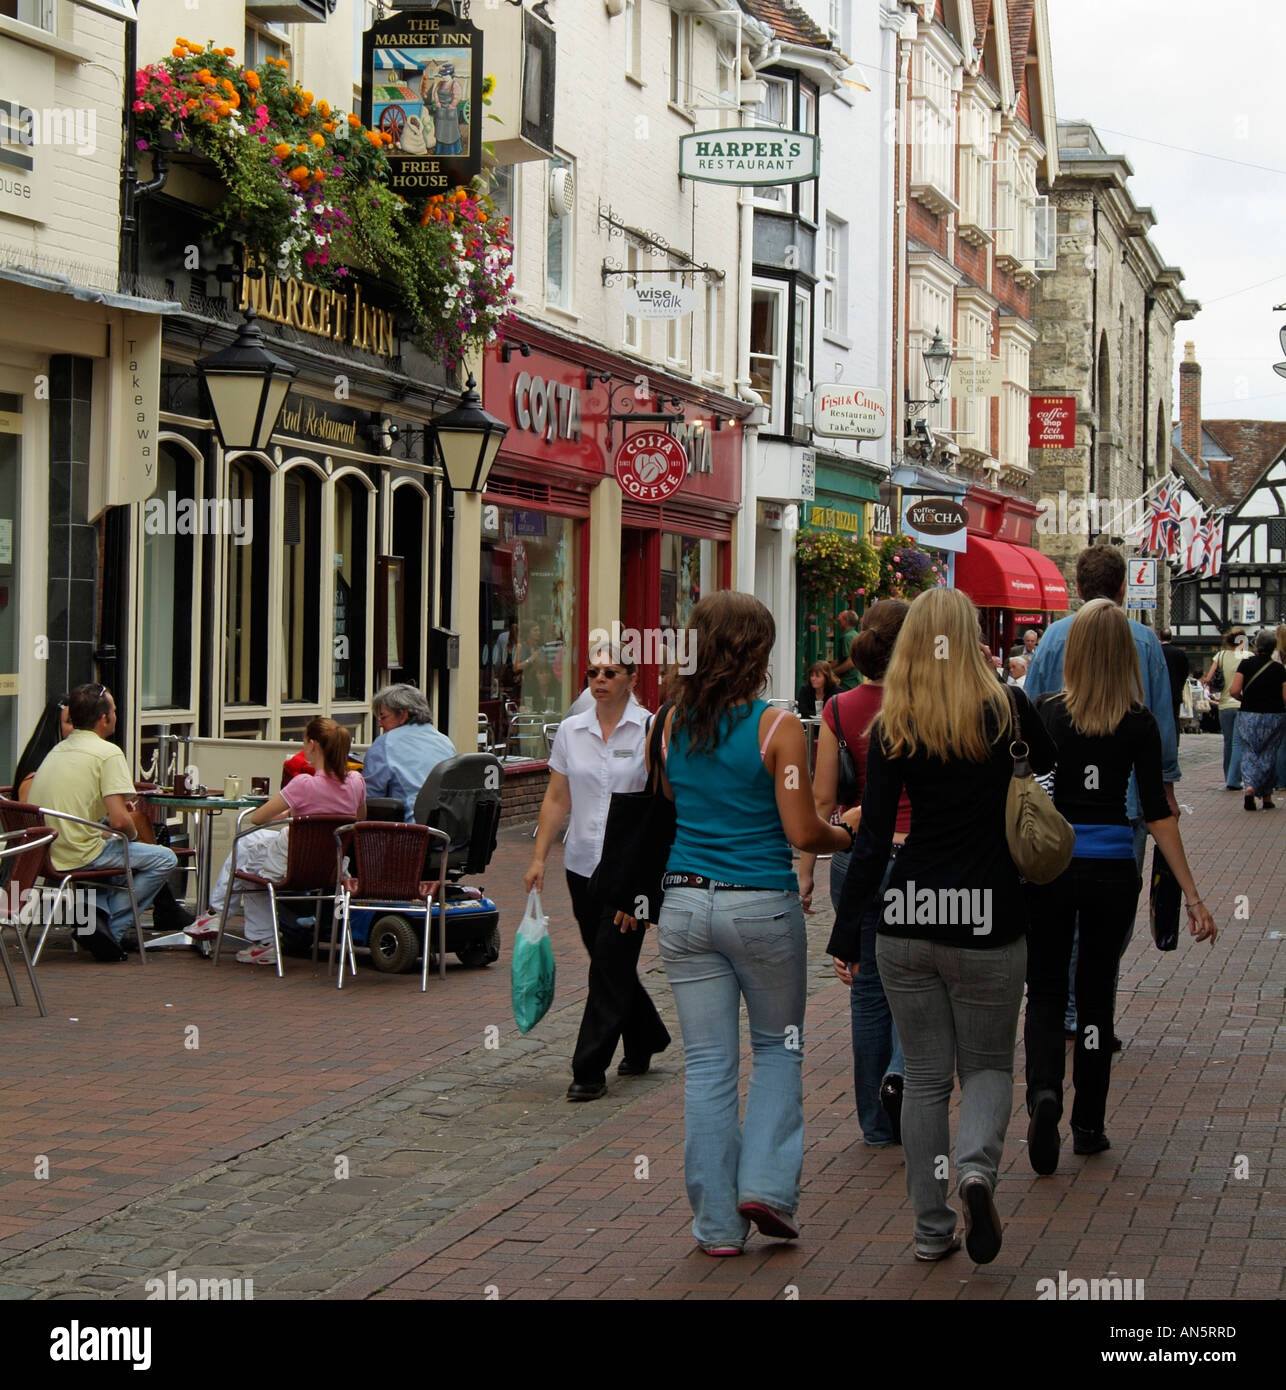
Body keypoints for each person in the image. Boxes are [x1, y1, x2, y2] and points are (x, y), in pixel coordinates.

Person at [828, 588, 1056, 1265]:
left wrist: (847, 935)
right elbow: (1048, 773)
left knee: (925, 1079)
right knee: (986, 1066)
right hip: (990, 913)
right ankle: (977, 1172)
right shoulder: (1006, 708)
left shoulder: (897, 721)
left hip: (909, 915)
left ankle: (931, 1230)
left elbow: (870, 840)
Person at [638, 591, 855, 1257]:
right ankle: (764, 1185)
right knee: (778, 1047)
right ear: (757, 653)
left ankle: (715, 1226)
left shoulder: (669, 724)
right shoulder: (778, 727)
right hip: (758, 901)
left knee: (707, 1064)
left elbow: (673, 798)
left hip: (683, 903)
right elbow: (801, 831)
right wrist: (844, 834)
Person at [1025, 600, 1217, 1174]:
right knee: (1096, 990)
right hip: (1112, 868)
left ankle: (1043, 1095)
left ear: (1076, 654)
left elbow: (1031, 793)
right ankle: (1088, 1122)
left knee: (1047, 989)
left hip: (1054, 867)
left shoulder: (1047, 714)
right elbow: (1158, 814)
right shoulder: (1139, 723)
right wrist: (1193, 896)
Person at [1024, 545, 1182, 1038]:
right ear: (1121, 588)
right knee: (1110, 918)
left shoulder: (1052, 638)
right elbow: (1160, 722)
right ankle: (1093, 1013)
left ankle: (1062, 1007)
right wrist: (1167, 790)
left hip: (1057, 801)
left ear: (1077, 586)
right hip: (1126, 800)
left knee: (1057, 909)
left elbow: (1027, 717)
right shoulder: (1142, 641)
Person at [525, 644, 670, 1101]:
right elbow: (556, 798)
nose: (600, 679)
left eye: (611, 672)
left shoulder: (650, 727)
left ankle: (588, 1068)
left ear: (631, 677)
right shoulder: (571, 731)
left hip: (630, 870)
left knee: (608, 965)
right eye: (592, 672)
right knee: (608, 961)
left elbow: (661, 806)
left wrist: (650, 880)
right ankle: (645, 1035)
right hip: (582, 864)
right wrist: (538, 857)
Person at [798, 600, 910, 1149]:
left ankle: (874, 1122)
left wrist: (805, 873)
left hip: (859, 857)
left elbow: (821, 803)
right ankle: (902, 1076)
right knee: (918, 985)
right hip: (920, 861)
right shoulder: (933, 704)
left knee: (866, 990)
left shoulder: (840, 708)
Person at [185, 718, 365, 966]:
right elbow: (358, 817)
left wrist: (293, 811)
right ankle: (252, 936)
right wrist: (300, 814)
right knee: (250, 857)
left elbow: (258, 818)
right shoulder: (356, 781)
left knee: (246, 847)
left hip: (291, 863)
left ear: (312, 745)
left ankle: (219, 914)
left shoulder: (303, 784)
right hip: (331, 867)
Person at [12, 697, 194, 933]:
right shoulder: (108, 753)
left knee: (110, 850)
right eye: (115, 711)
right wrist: (130, 837)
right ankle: (109, 927)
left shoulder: (57, 750)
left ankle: (96, 918)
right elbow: (120, 821)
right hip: (78, 854)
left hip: (46, 853)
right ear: (103, 718)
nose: (117, 715)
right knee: (164, 858)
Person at [361, 685, 457, 821]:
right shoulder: (445, 741)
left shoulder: (384, 744)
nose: (380, 724)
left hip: (409, 834)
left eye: (383, 717)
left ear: (403, 715)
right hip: (447, 832)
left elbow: (369, 800)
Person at [1230, 631, 1286, 811]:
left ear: (1256, 645)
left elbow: (1234, 690)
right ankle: (1267, 797)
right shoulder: (1279, 669)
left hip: (1248, 714)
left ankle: (1249, 788)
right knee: (1269, 754)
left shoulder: (1246, 664)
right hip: (1273, 715)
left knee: (1249, 752)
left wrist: (1245, 699)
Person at [1203, 628, 1246, 791]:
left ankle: (1228, 775)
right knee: (1238, 742)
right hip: (1241, 703)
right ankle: (1235, 779)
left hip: (1224, 705)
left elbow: (1208, 679)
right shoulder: (1248, 656)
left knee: (1228, 742)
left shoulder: (1219, 656)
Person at [12, 696, 73, 801]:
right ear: (54, 725)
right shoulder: (36, 770)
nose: (77, 728)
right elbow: (26, 814)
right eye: (70, 721)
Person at [1159, 627, 1190, 727]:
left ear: (1159, 637)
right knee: (1174, 719)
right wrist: (1179, 685)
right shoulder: (1180, 653)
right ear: (1171, 638)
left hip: (1159, 691)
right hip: (1175, 692)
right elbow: (1185, 672)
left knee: (1159, 718)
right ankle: (1174, 740)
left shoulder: (1157, 651)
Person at [831, 610, 862, 691]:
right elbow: (841, 660)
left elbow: (850, 662)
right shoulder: (854, 634)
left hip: (848, 683)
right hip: (854, 681)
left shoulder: (847, 637)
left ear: (846, 621)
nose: (838, 622)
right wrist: (826, 668)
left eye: (840, 620)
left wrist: (832, 673)